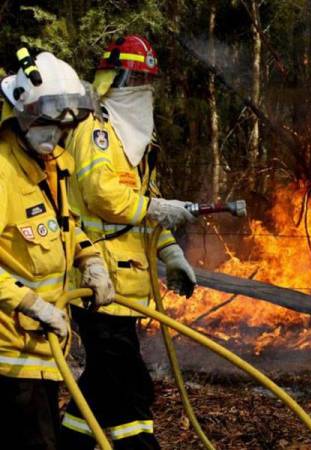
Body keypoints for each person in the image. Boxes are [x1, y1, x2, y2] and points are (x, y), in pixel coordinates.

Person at [60, 35, 197, 450]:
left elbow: (145, 211)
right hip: (96, 282)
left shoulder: (135, 143)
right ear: (112, 79)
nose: (142, 88)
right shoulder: (94, 130)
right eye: (134, 78)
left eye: (147, 79)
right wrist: (157, 208)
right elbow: (106, 195)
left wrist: (171, 254)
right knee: (129, 382)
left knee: (105, 382)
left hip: (127, 288)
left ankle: (72, 441)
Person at [0, 49, 114, 450]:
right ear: (23, 116)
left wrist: (90, 257)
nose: (56, 136)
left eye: (63, 128)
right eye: (48, 125)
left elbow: (64, 226)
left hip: (45, 351)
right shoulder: (2, 173)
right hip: (9, 356)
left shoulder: (52, 166)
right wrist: (31, 303)